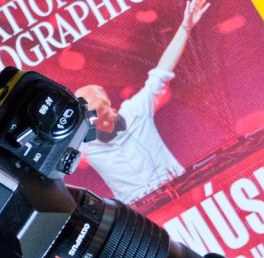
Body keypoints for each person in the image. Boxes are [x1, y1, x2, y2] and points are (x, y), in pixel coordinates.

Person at [75, 0, 211, 203]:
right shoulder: (86, 146)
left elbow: (162, 71)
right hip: (143, 210)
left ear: (110, 105)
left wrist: (185, 27)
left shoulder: (135, 110)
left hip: (181, 188)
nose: (104, 124)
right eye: (98, 123)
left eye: (105, 115)